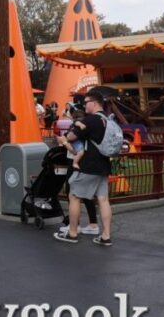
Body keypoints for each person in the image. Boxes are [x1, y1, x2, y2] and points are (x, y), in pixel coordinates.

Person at [54, 91, 113, 246]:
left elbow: (72, 136)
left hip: (88, 165)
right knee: (103, 199)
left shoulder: (91, 120)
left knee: (74, 196)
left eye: (86, 102)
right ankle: (106, 235)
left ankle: (72, 233)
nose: (84, 104)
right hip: (104, 164)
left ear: (94, 102)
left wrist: (65, 138)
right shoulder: (107, 120)